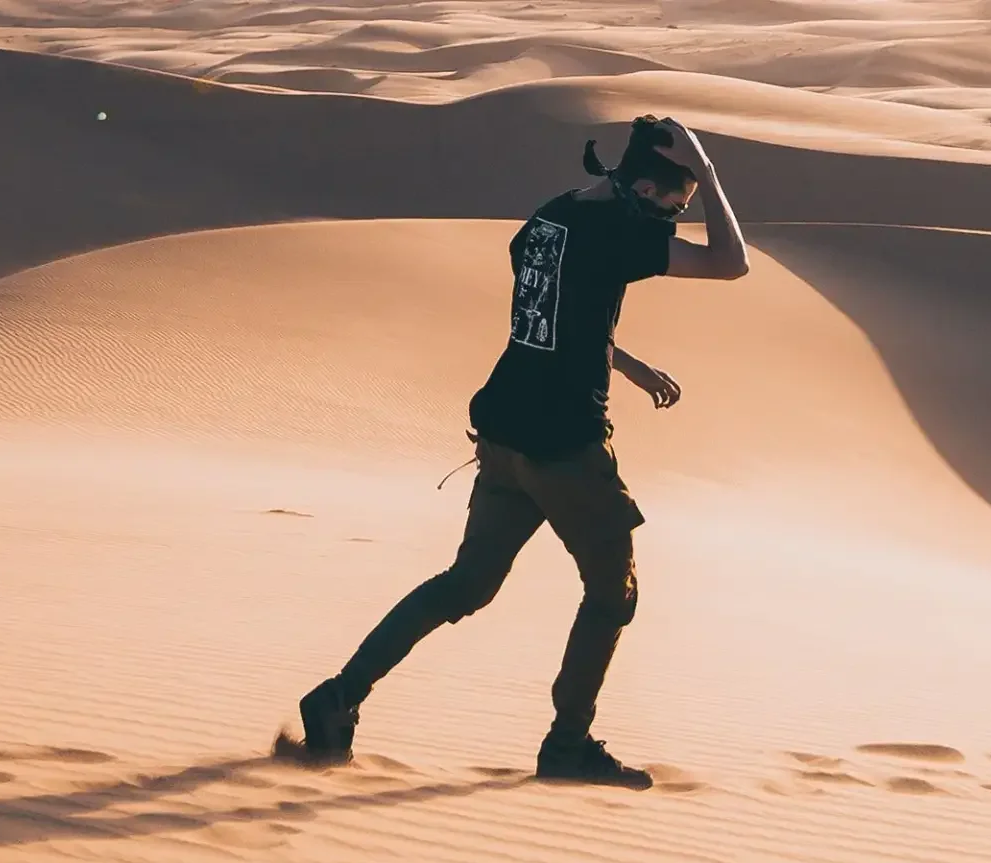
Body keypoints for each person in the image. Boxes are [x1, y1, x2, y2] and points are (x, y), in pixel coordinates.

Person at [290, 115, 750, 789]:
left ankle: (339, 695)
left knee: (464, 585)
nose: (676, 221)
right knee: (612, 593)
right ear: (646, 189)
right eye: (675, 207)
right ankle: (568, 745)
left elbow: (552, 313)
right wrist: (709, 174)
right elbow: (730, 263)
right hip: (564, 445)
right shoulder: (624, 233)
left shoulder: (549, 219)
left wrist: (624, 363)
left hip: (504, 435)